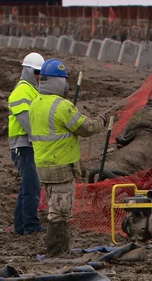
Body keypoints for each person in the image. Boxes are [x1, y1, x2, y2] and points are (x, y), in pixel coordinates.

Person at [29, 58, 106, 256]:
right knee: (60, 211)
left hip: (43, 166)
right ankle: (57, 252)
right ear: (58, 82)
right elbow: (86, 128)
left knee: (54, 207)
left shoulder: (35, 104)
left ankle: (59, 250)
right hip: (61, 167)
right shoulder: (62, 106)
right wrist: (102, 121)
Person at [8, 52, 46, 235]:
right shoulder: (22, 91)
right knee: (32, 186)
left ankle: (21, 227)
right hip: (22, 146)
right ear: (29, 71)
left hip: (27, 145)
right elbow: (29, 123)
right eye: (38, 72)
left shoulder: (33, 90)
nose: (40, 76)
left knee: (27, 186)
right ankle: (31, 227)